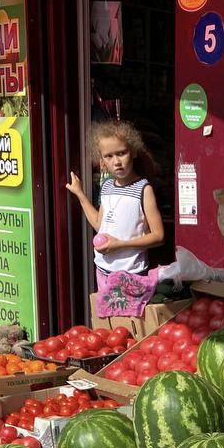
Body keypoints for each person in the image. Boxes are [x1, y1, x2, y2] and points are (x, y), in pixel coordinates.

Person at [66, 120, 166, 316]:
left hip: (131, 275)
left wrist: (120, 244)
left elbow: (159, 236)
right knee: (109, 329)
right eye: (109, 156)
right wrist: (80, 194)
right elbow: (98, 224)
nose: (116, 161)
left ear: (134, 151)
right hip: (103, 271)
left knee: (129, 328)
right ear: (102, 161)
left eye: (121, 153)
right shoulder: (107, 186)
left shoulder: (144, 189)